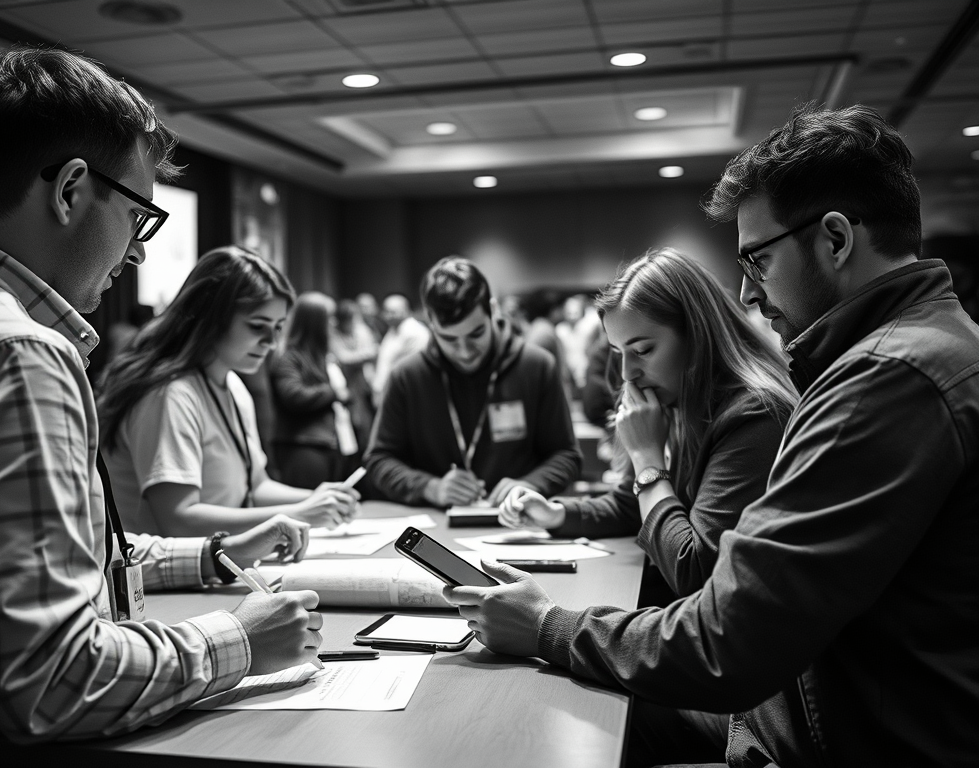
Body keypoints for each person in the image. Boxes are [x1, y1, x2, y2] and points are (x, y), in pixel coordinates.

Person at [444, 104, 979, 767]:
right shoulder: (916, 353)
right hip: (814, 705)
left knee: (543, 724)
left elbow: (727, 637)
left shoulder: (884, 380)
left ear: (836, 239)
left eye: (757, 259)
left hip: (825, 733)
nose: (750, 294)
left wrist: (549, 625)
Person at [0, 46, 323, 741]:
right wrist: (236, 642)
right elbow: (53, 682)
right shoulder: (18, 352)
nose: (140, 252)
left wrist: (216, 555)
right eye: (138, 217)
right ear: (69, 191)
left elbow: (72, 553)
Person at [499, 248, 796, 600]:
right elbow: (632, 506)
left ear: (697, 336)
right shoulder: (684, 401)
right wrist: (555, 514)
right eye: (618, 353)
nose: (627, 374)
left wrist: (647, 460)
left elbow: (694, 571)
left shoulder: (755, 415)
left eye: (642, 351)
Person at [99, 248, 359, 537]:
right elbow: (178, 519)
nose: (271, 342)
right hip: (160, 577)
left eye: (278, 328)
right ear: (212, 318)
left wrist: (316, 498)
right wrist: (297, 512)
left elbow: (256, 486)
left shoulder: (232, 384)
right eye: (258, 326)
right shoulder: (170, 394)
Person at [365, 257, 582, 507]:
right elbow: (378, 460)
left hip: (517, 526)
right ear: (430, 322)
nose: (465, 351)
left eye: (476, 334)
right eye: (449, 339)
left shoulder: (536, 366)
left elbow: (567, 456)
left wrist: (531, 483)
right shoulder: (406, 375)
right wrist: (429, 487)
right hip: (435, 530)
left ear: (492, 310)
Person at [269, 291, 359, 488]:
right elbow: (293, 395)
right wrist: (334, 393)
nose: (333, 324)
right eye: (329, 318)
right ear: (314, 322)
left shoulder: (324, 356)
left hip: (329, 443)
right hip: (303, 447)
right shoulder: (290, 357)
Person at [331, 297, 378, 451]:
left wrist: (357, 356)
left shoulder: (361, 329)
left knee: (366, 426)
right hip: (344, 385)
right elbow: (343, 358)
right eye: (350, 320)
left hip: (363, 386)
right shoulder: (333, 333)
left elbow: (373, 351)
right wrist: (363, 355)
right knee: (350, 428)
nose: (354, 323)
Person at [371, 292, 430, 406]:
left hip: (406, 397)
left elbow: (414, 371)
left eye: (392, 312)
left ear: (406, 310)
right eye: (385, 311)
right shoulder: (394, 329)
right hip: (390, 394)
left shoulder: (415, 332)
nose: (387, 316)